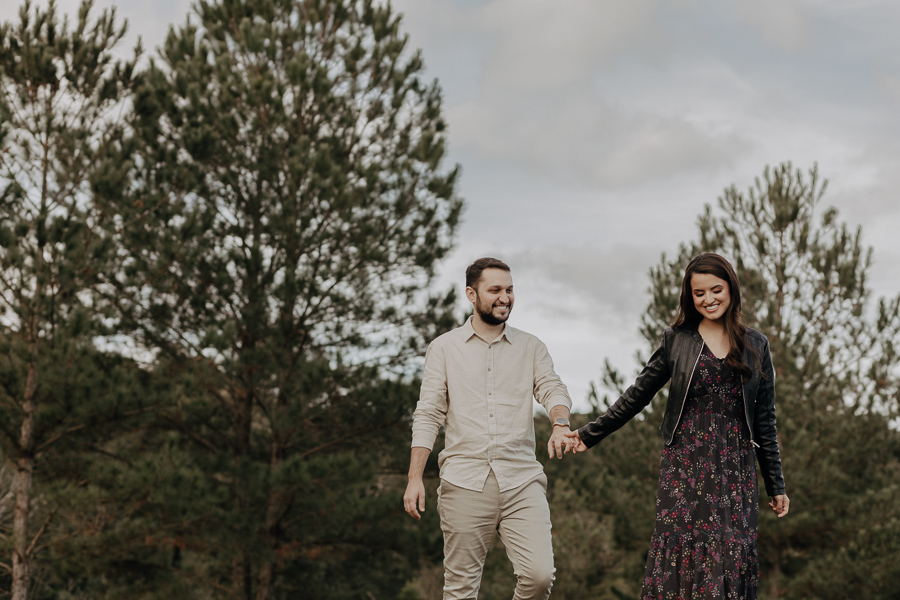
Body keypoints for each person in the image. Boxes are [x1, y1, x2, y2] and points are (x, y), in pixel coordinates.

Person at [565, 252, 789, 599]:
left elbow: (765, 422)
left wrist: (776, 484)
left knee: (728, 558)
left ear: (731, 289)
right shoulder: (676, 340)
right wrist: (587, 434)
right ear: (690, 296)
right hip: (686, 466)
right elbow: (637, 395)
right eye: (699, 293)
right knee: (684, 557)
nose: (709, 299)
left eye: (716, 290)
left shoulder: (756, 344)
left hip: (735, 470)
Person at [403, 257, 574, 600]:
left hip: (522, 481)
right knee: (461, 589)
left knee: (539, 576)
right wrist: (414, 478)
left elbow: (553, 389)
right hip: (464, 482)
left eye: (510, 290)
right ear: (471, 293)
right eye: (495, 290)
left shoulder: (531, 346)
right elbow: (428, 414)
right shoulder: (444, 348)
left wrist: (560, 423)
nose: (505, 297)